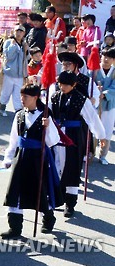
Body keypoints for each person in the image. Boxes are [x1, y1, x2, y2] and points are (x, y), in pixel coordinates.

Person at [0, 84, 61, 239]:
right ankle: (15, 228)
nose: (22, 99)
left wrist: (49, 127)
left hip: (37, 159)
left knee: (39, 190)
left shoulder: (46, 115)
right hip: (20, 158)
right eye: (21, 96)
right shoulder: (19, 115)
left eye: (25, 97)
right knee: (15, 191)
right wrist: (8, 157)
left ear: (35, 98)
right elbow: (14, 139)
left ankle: (48, 218)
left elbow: (53, 140)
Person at [50, 71, 105, 218]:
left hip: (74, 137)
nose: (63, 87)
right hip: (56, 136)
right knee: (56, 166)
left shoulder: (81, 100)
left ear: (74, 85)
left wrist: (101, 135)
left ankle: (70, 203)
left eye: (66, 84)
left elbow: (92, 118)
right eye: (61, 84)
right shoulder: (55, 97)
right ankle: (56, 197)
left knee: (72, 169)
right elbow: (48, 113)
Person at [0, 24, 28, 116]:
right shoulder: (8, 42)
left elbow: (27, 58)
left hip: (20, 74)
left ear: (24, 33)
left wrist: (26, 50)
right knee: (6, 92)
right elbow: (8, 56)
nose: (19, 33)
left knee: (17, 94)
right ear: (13, 32)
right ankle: (2, 107)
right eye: (17, 31)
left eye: (21, 31)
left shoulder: (24, 43)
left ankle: (18, 110)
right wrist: (13, 46)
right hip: (9, 72)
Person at [94, 48, 115, 165]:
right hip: (96, 104)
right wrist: (96, 93)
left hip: (109, 105)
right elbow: (90, 84)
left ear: (113, 60)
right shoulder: (95, 70)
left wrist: (104, 94)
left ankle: (103, 154)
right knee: (93, 127)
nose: (106, 59)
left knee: (107, 129)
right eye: (104, 56)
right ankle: (90, 152)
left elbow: (114, 88)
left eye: (110, 57)